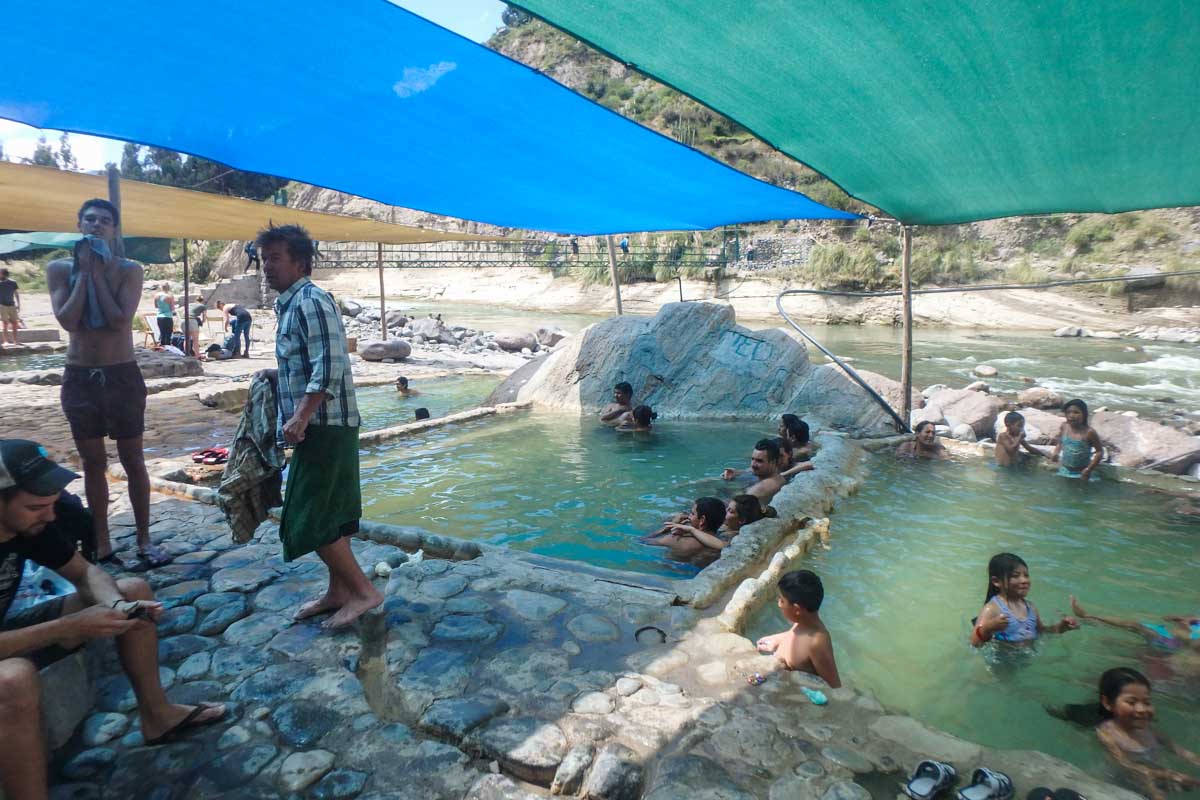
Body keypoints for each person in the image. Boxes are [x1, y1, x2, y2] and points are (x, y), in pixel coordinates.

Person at [0, 439, 226, 797]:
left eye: (52, 505)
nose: (50, 516)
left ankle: (157, 716)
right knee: (12, 678)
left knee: (132, 589)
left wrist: (116, 607)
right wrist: (69, 627)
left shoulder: (29, 525)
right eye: (35, 507)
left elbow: (86, 573)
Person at [261, 223, 381, 630]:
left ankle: (364, 592)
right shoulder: (291, 304)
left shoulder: (310, 300)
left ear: (300, 261)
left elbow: (329, 366)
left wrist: (301, 415)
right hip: (323, 424)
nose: (267, 267)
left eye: (275, 258)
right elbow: (309, 362)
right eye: (265, 259)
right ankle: (338, 591)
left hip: (325, 425)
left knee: (308, 514)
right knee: (332, 513)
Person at [47, 199, 170, 568]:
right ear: (79, 224)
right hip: (80, 376)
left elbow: (119, 321)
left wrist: (98, 273)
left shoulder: (129, 270)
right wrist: (83, 273)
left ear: (115, 230)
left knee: (133, 459)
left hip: (121, 374)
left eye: (104, 221)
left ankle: (145, 541)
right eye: (90, 219)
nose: (97, 225)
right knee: (92, 462)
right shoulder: (58, 269)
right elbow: (68, 320)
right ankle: (102, 544)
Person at [1055, 668, 1200, 799]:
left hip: (1152, 773)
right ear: (1107, 703)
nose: (1142, 709)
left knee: (1187, 783)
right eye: (1131, 702)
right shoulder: (1106, 733)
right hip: (1121, 779)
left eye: (1147, 702)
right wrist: (1165, 775)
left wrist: (1193, 761)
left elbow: (1180, 751)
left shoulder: (1149, 730)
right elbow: (1126, 765)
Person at [755, 570, 841, 688]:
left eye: (782, 600)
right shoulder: (801, 622)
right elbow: (795, 635)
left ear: (797, 609)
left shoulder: (817, 642)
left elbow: (834, 685)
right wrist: (777, 640)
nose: (779, 604)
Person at [970, 553, 1078, 647]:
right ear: (996, 581)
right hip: (1004, 662)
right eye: (1015, 576)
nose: (1024, 580)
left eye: (1026, 575)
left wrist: (1061, 627)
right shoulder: (992, 608)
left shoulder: (1030, 607)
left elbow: (1041, 631)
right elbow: (974, 642)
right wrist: (989, 628)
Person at [1070, 596, 1200, 653]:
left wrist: (1187, 630)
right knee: (1131, 623)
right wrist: (1179, 618)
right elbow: (1166, 618)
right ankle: (1085, 620)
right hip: (1164, 631)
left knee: (1134, 625)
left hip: (1171, 642)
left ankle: (1087, 617)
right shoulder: (1196, 617)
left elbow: (1193, 645)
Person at [640, 496, 726, 566]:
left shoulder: (676, 539)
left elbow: (642, 541)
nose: (688, 516)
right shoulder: (721, 540)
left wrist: (667, 528)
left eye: (692, 513)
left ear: (702, 520)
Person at [722, 439, 786, 509]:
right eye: (752, 459)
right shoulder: (775, 476)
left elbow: (733, 508)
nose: (753, 464)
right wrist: (737, 473)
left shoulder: (760, 489)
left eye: (759, 461)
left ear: (773, 462)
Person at [1052, 399, 1103, 480]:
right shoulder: (1064, 426)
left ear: (1084, 414)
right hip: (1064, 470)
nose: (1071, 415)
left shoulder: (1089, 432)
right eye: (1068, 412)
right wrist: (1056, 452)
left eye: (1076, 412)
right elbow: (1060, 441)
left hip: (1082, 473)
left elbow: (1099, 452)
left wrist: (1088, 469)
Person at [0, 268, 20, 346]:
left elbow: (16, 294)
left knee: (15, 323)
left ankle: (15, 341)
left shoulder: (13, 282)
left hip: (12, 305)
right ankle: (5, 341)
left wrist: (18, 304)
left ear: (4, 274)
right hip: (2, 305)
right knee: (5, 323)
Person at [152, 283, 175, 347]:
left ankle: (162, 347)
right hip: (168, 316)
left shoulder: (156, 295)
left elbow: (156, 306)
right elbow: (172, 308)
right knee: (168, 334)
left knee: (162, 333)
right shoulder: (170, 296)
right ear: (169, 288)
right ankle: (167, 348)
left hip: (159, 316)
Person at [185, 295, 206, 359]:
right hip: (192, 320)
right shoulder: (203, 306)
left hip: (184, 320)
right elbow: (204, 318)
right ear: (202, 301)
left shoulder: (190, 304)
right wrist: (202, 322)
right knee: (195, 340)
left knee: (186, 339)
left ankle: (186, 354)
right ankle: (197, 355)